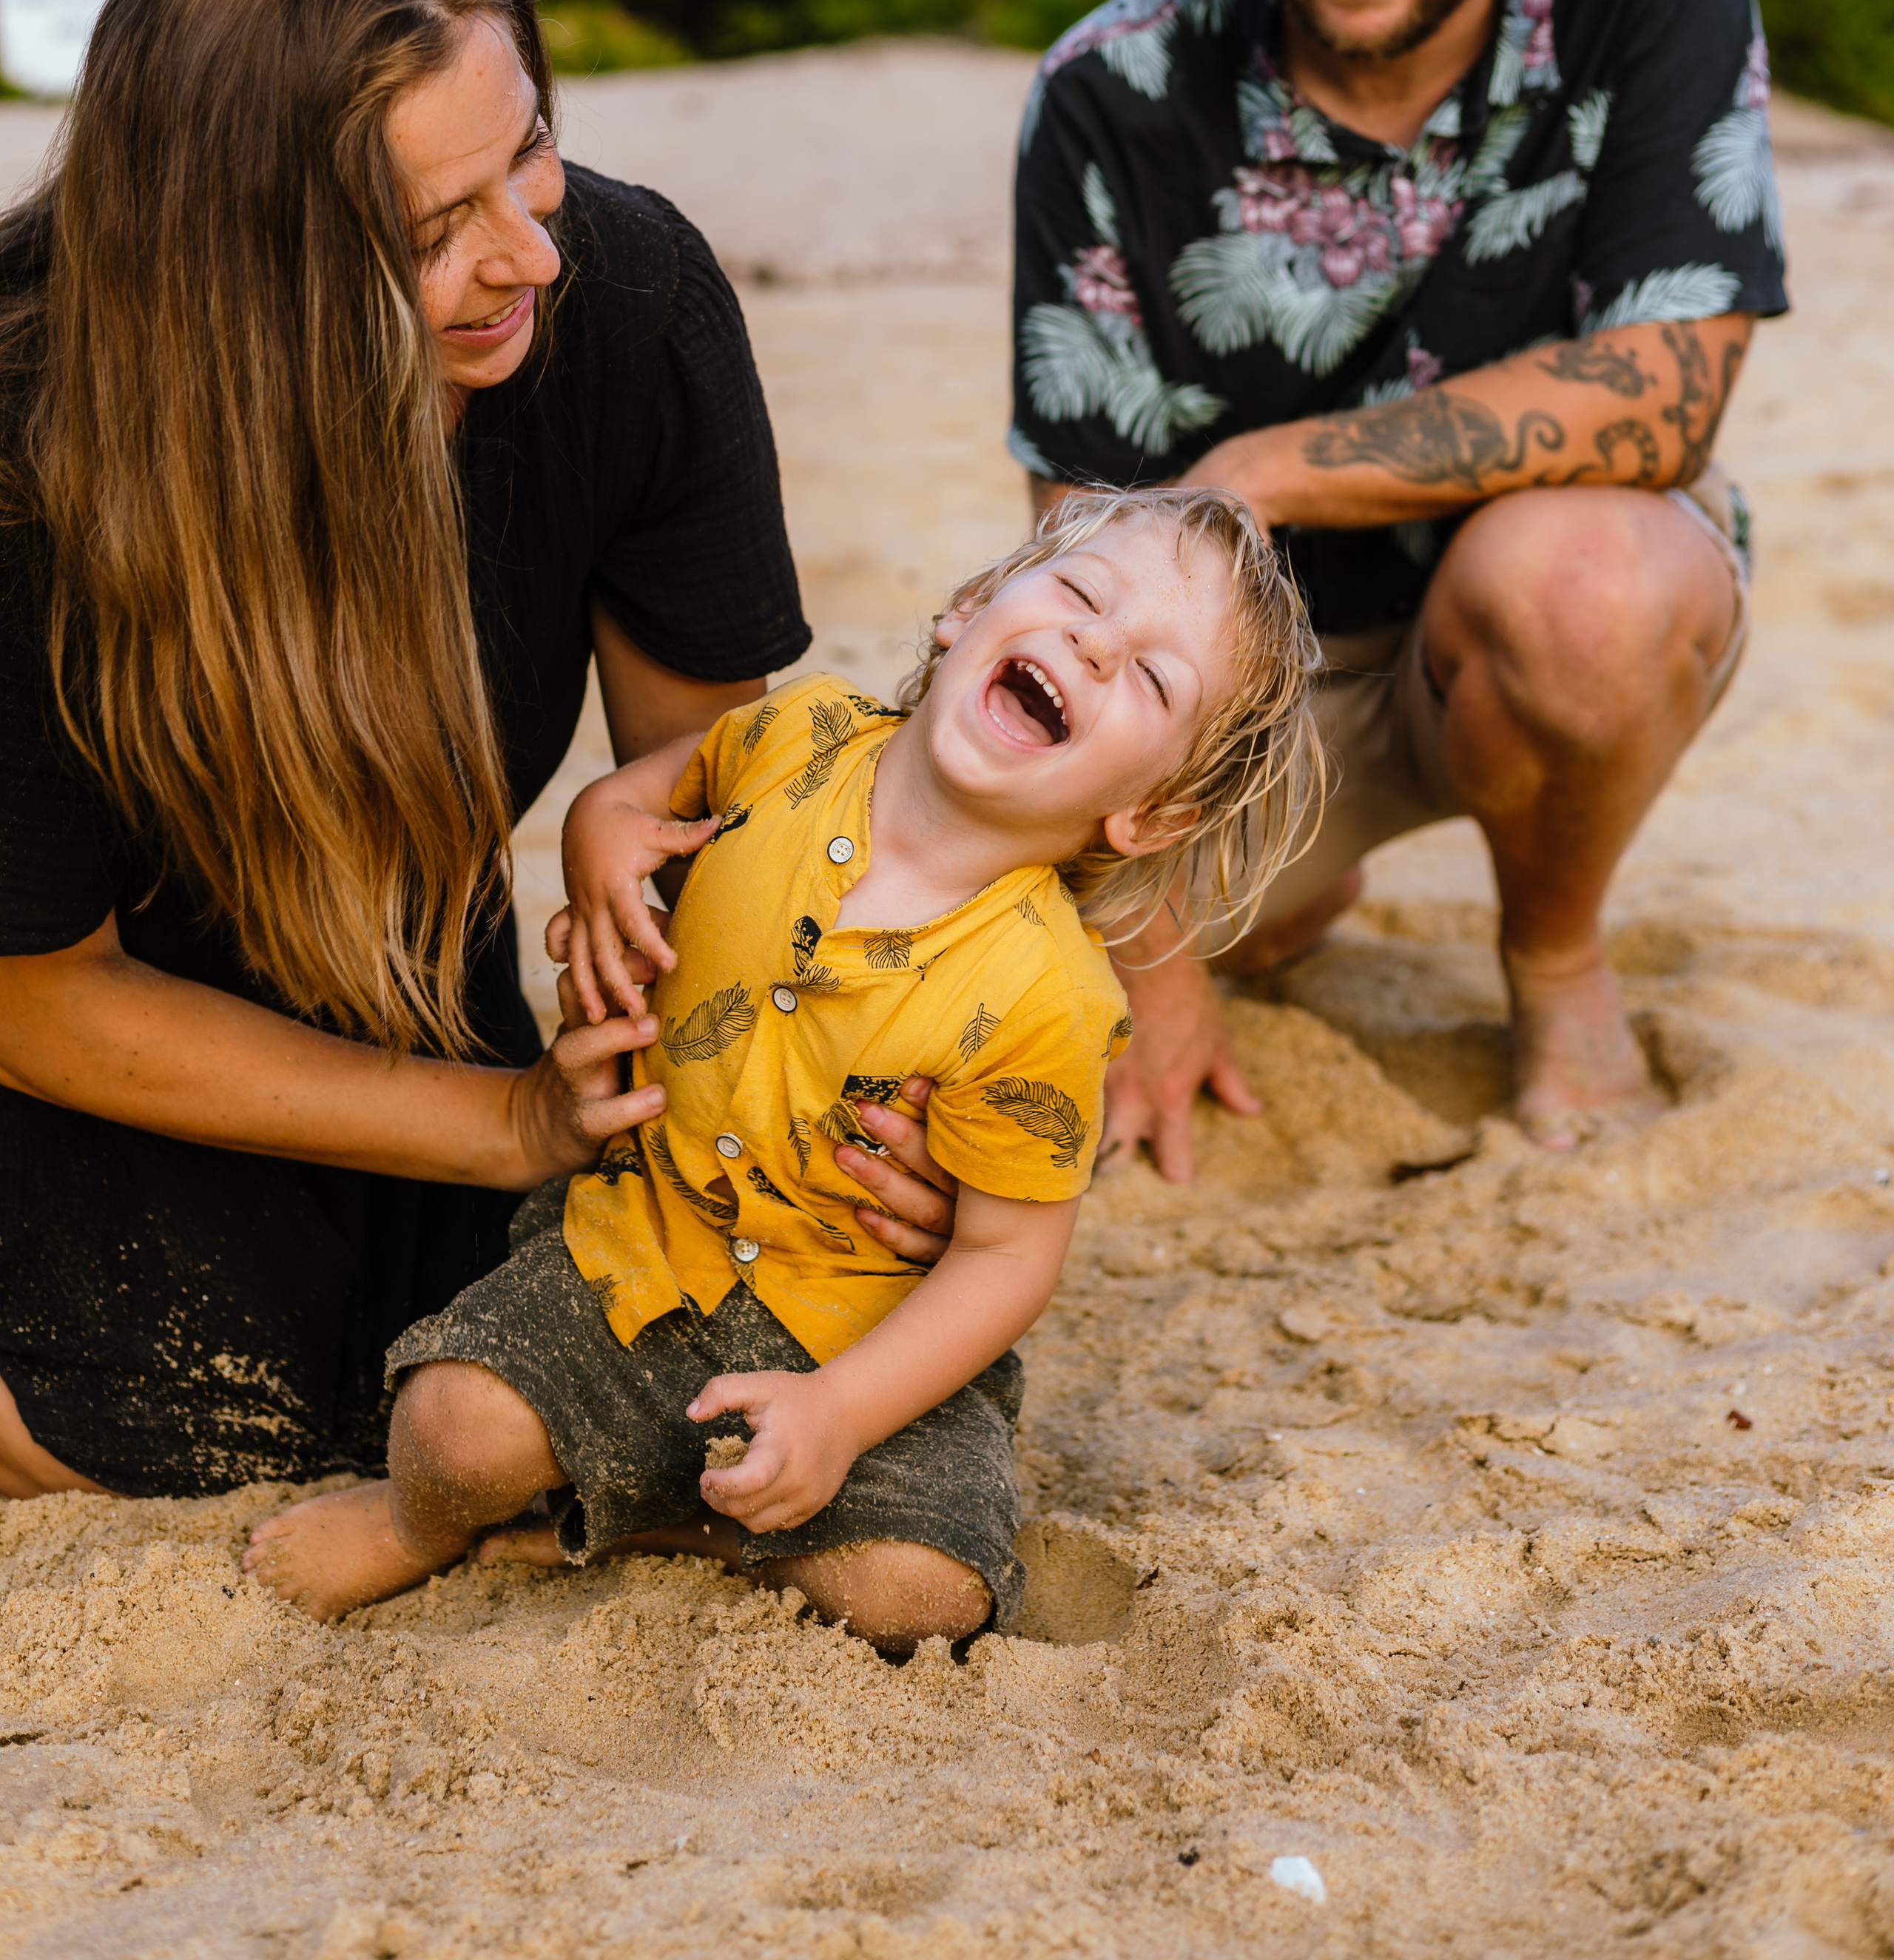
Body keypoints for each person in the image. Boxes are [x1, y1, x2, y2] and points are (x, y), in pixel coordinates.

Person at [0, 0, 885, 1505]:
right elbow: (38, 995)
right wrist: (501, 1129)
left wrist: (818, 1108)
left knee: (502, 1368)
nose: (531, 260)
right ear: (236, 279)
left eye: (529, 150)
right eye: (432, 233)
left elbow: (715, 777)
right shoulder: (22, 447)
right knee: (201, 1424)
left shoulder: (620, 300)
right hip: (69, 1008)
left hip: (400, 962)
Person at [1010, 0, 1788, 1171]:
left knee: (1584, 592)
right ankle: (1283, 897)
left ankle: (1551, 956)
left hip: (1534, 614)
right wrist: (1156, 973)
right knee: (999, 974)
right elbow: (1076, 557)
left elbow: (1666, 393)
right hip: (1232, 696)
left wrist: (1258, 476)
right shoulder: (1104, 90)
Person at [240, 488, 1320, 1649]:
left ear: (1151, 816)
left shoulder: (1053, 997)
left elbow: (1009, 1259)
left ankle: (667, 1526)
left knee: (926, 1598)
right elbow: (643, 791)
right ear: (968, 612)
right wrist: (601, 833)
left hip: (855, 1336)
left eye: (1155, 680)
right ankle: (418, 1529)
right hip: (642, 1245)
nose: (1097, 646)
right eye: (1077, 595)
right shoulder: (797, 733)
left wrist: (845, 1413)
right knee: (451, 1433)